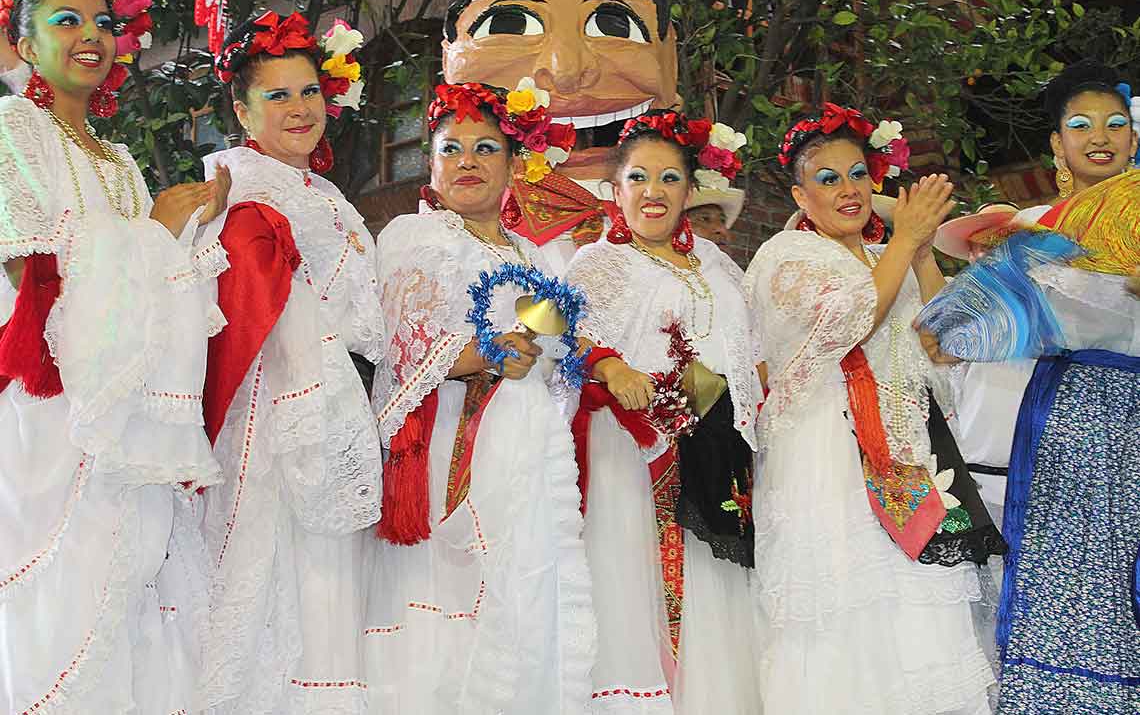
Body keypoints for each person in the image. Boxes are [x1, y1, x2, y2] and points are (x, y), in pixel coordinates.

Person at [0, 0, 229, 713]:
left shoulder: (121, 159)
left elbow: (152, 280)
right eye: (66, 20)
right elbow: (28, 268)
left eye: (103, 21)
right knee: (62, 601)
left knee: (132, 586)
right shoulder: (13, 130)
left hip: (129, 411)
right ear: (25, 44)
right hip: (54, 408)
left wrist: (186, 235)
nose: (91, 34)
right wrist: (157, 235)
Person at [743, 104, 1000, 714]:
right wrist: (904, 238)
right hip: (831, 455)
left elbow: (949, 345)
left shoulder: (886, 256)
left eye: (858, 174)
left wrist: (922, 253)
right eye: (827, 179)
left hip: (909, 451)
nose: (848, 190)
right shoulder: (787, 256)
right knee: (850, 612)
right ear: (801, 195)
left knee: (919, 607)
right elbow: (855, 319)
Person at [362, 81, 593, 714]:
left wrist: (538, 350)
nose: (467, 161)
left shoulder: (532, 256)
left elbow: (555, 353)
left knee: (523, 589)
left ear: (515, 166)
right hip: (451, 439)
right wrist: (486, 354)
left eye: (486, 148)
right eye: (451, 148)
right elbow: (405, 344)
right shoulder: (415, 236)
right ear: (430, 164)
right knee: (452, 593)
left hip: (528, 441)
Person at [920, 62, 1140, 715]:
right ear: (1057, 144)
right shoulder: (1034, 232)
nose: (1099, 137)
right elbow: (948, 334)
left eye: (1114, 125)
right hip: (1071, 420)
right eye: (1080, 125)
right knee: (1074, 583)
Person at [197, 10, 381, 714]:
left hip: (347, 404)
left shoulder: (325, 195)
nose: (299, 109)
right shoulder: (239, 185)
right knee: (285, 585)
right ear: (242, 110)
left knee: (333, 598)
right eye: (276, 96)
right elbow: (251, 306)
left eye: (308, 92)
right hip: (280, 417)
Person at [564, 109, 761, 713]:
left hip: (720, 444)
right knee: (642, 585)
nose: (654, 193)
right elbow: (558, 331)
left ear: (690, 190)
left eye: (670, 179)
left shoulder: (715, 261)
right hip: (637, 450)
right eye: (639, 178)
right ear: (615, 189)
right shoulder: (596, 262)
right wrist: (609, 365)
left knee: (717, 585)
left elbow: (753, 343)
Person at [443, 0, 682, 270]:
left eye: (613, 26)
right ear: (448, 59)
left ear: (668, 60)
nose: (564, 71)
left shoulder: (692, 247)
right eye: (511, 24)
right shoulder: (443, 244)